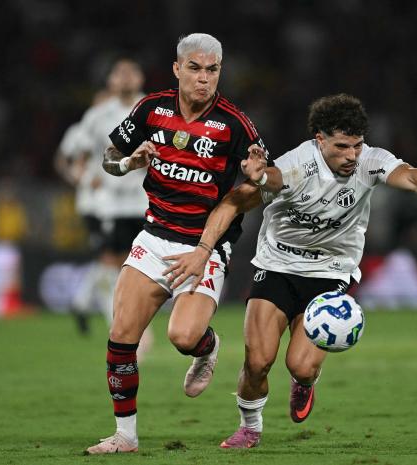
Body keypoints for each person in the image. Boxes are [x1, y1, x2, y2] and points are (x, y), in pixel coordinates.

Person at [163, 93, 417, 449]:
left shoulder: (370, 161)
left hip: (330, 273)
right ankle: (250, 428)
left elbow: (413, 177)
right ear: (319, 140)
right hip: (277, 267)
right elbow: (262, 185)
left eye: (357, 145)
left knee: (300, 366)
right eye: (342, 146)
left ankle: (304, 383)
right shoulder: (296, 166)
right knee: (257, 362)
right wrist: (258, 179)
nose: (352, 155)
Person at [84, 33, 276, 455]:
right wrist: (128, 163)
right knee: (120, 337)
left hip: (204, 246)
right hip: (154, 237)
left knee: (183, 336)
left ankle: (206, 348)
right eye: (195, 68)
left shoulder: (235, 124)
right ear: (177, 69)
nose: (203, 79)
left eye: (212, 70)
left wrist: (258, 178)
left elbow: (264, 187)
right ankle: (126, 436)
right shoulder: (152, 109)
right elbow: (108, 159)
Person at [54, 59, 153, 358]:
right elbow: (74, 154)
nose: (125, 77)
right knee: (113, 260)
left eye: (130, 71)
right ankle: (123, 329)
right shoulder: (98, 116)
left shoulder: (153, 109)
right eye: (119, 72)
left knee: (134, 263)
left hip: (145, 199)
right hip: (110, 204)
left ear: (140, 77)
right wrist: (84, 179)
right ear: (110, 80)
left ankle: (85, 302)